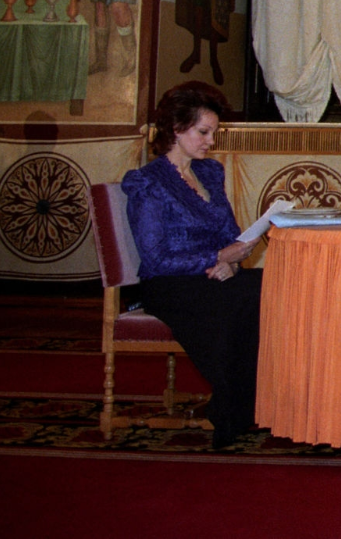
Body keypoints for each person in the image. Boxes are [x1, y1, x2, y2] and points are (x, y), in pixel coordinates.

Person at [120, 82, 261, 449]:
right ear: (176, 128)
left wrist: (231, 264)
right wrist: (216, 259)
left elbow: (230, 235)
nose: (211, 141)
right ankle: (234, 407)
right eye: (203, 132)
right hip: (171, 283)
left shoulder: (210, 173)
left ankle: (249, 402)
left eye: (214, 133)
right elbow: (156, 258)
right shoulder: (148, 183)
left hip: (213, 275)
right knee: (243, 300)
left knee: (269, 285)